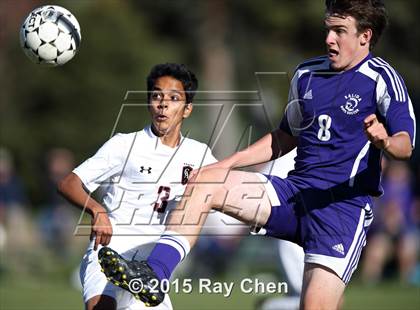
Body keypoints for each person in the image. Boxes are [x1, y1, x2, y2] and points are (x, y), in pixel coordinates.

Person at [99, 1, 416, 308]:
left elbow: (406, 143)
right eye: (327, 29)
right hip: (293, 194)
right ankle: (155, 274)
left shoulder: (383, 80)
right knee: (206, 184)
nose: (328, 38)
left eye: (339, 31)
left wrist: (385, 141)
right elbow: (284, 138)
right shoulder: (306, 74)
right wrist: (224, 165)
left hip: (339, 212)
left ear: (365, 35)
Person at [58, 63, 216, 310]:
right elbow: (69, 183)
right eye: (156, 96)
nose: (163, 103)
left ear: (187, 110)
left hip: (151, 272)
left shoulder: (200, 154)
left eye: (174, 98)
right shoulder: (124, 145)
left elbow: (224, 192)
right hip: (108, 254)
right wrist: (97, 211)